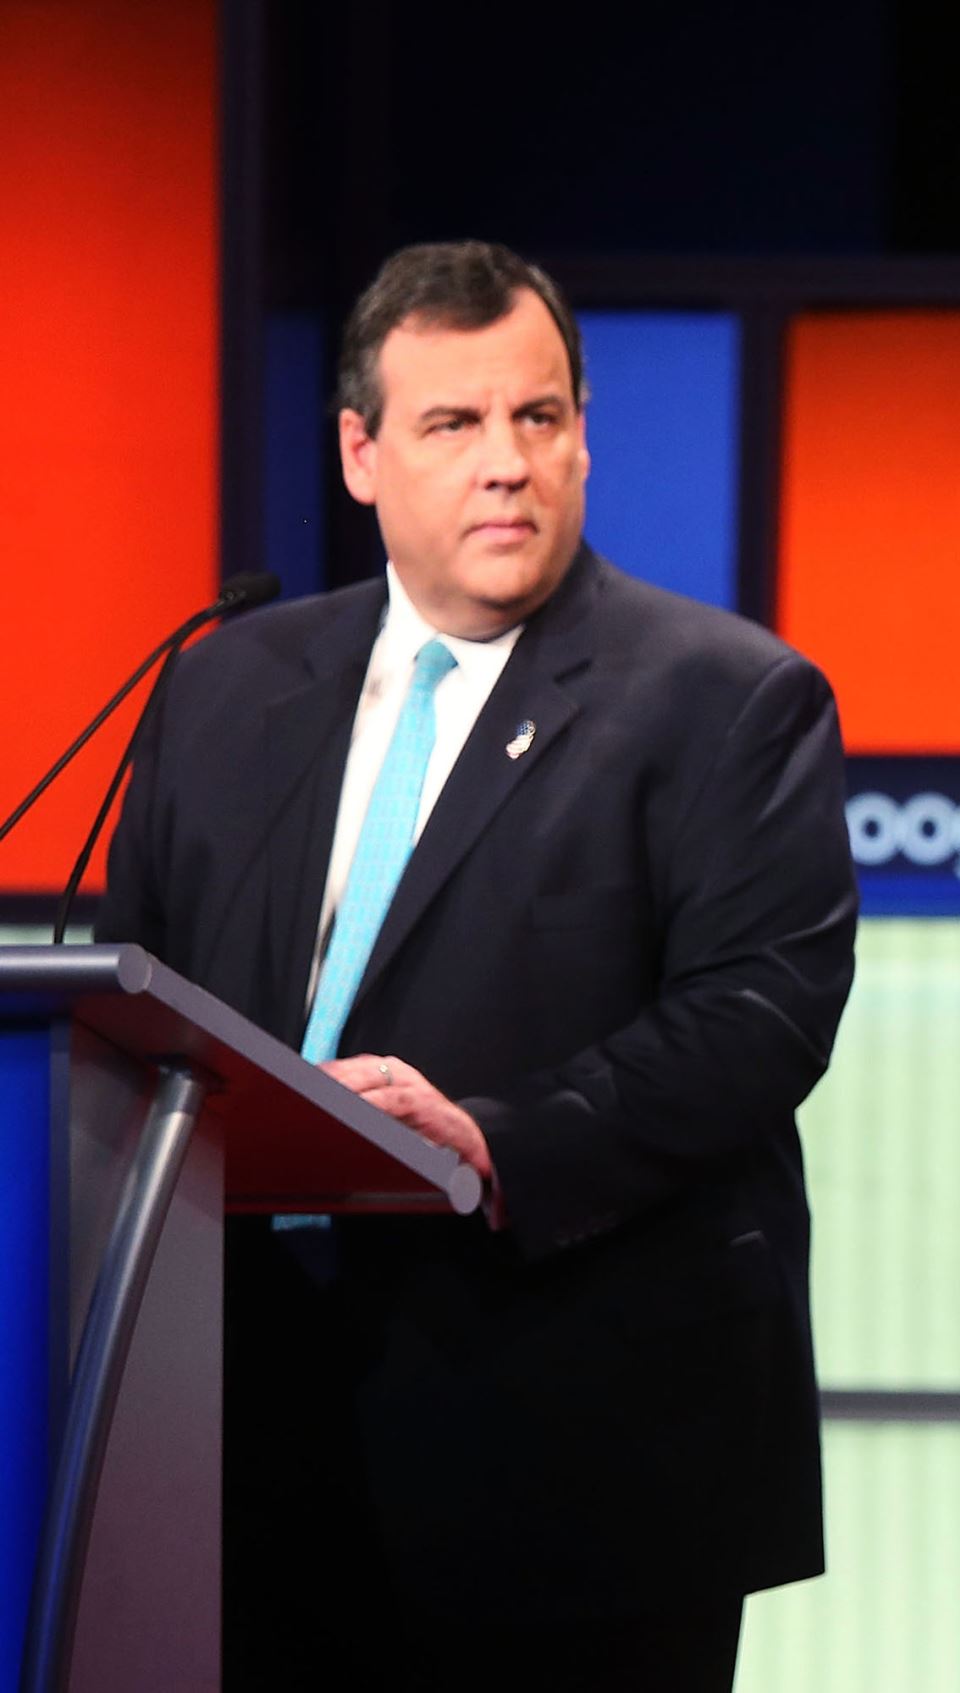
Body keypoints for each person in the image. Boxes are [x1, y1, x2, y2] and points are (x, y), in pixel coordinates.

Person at [98, 241, 858, 1691]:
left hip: (578, 1452)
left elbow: (758, 1016)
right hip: (237, 1442)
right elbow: (133, 991)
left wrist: (496, 1141)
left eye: (539, 417)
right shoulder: (221, 684)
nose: (508, 462)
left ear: (581, 436)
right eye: (453, 423)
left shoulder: (726, 699)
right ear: (361, 453)